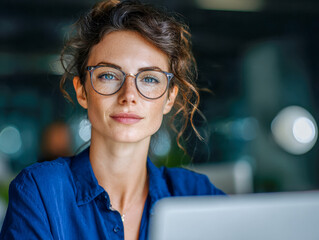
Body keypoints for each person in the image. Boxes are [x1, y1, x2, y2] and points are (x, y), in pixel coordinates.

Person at [0, 1, 225, 239]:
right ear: (82, 91)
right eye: (108, 75)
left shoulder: (198, 196)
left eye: (149, 79)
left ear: (169, 98)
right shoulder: (40, 192)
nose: (129, 96)